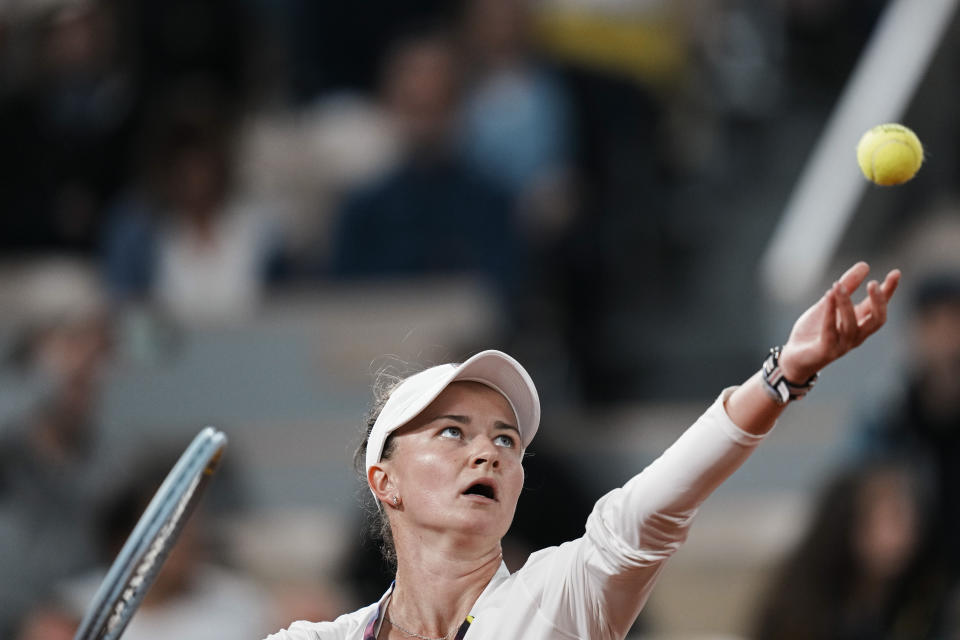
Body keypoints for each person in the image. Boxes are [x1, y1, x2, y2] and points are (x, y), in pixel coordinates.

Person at [267, 261, 899, 640]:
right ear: (386, 481)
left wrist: (780, 378)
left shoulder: (562, 598)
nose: (487, 453)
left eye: (505, 439)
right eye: (452, 432)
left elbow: (657, 505)